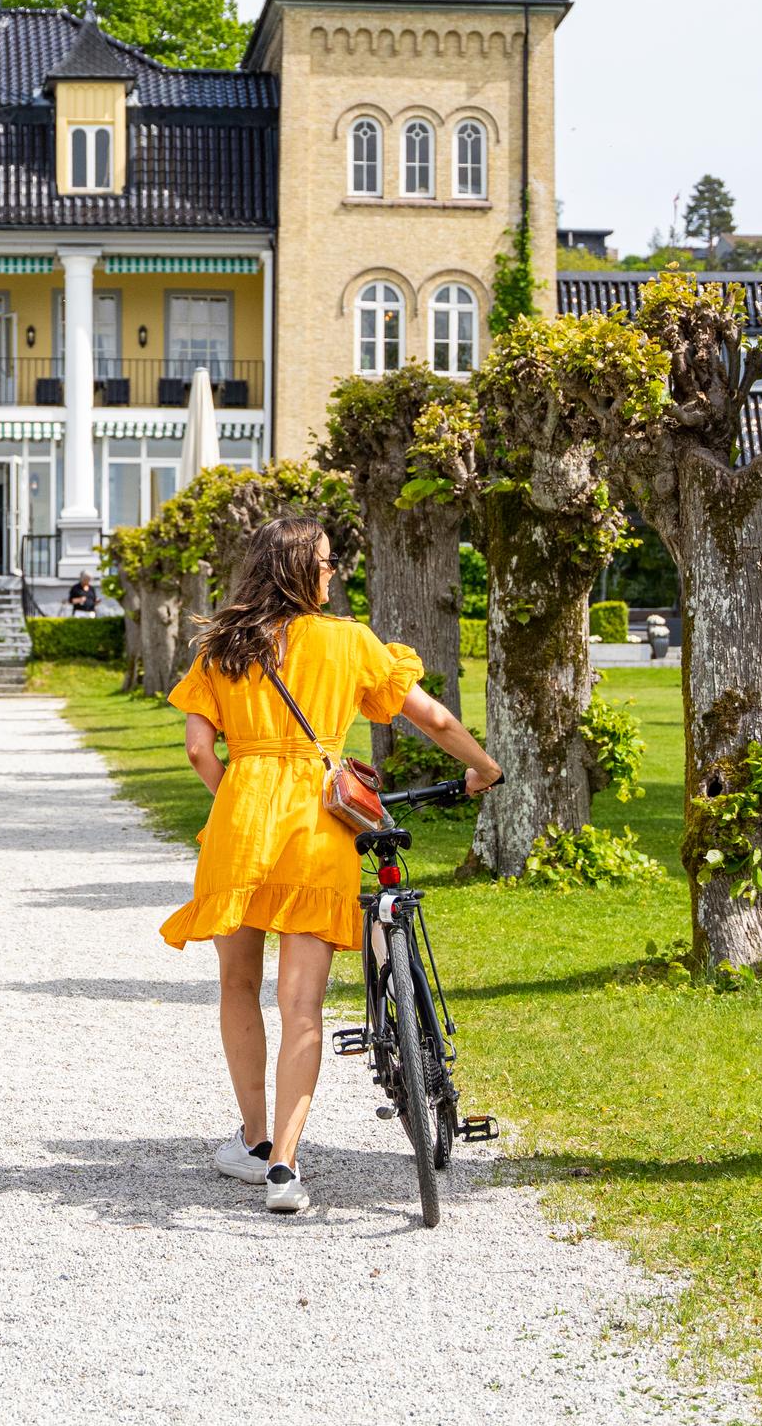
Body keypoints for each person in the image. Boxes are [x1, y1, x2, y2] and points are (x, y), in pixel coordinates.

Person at [157, 517, 499, 1214]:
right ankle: (286, 1165)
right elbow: (429, 716)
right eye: (325, 562)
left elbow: (199, 749)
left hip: (241, 824)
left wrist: (239, 805)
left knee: (237, 985)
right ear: (302, 570)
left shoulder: (223, 646)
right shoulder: (347, 640)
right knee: (302, 1003)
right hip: (317, 822)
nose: (332, 571)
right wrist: (482, 765)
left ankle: (251, 1142)